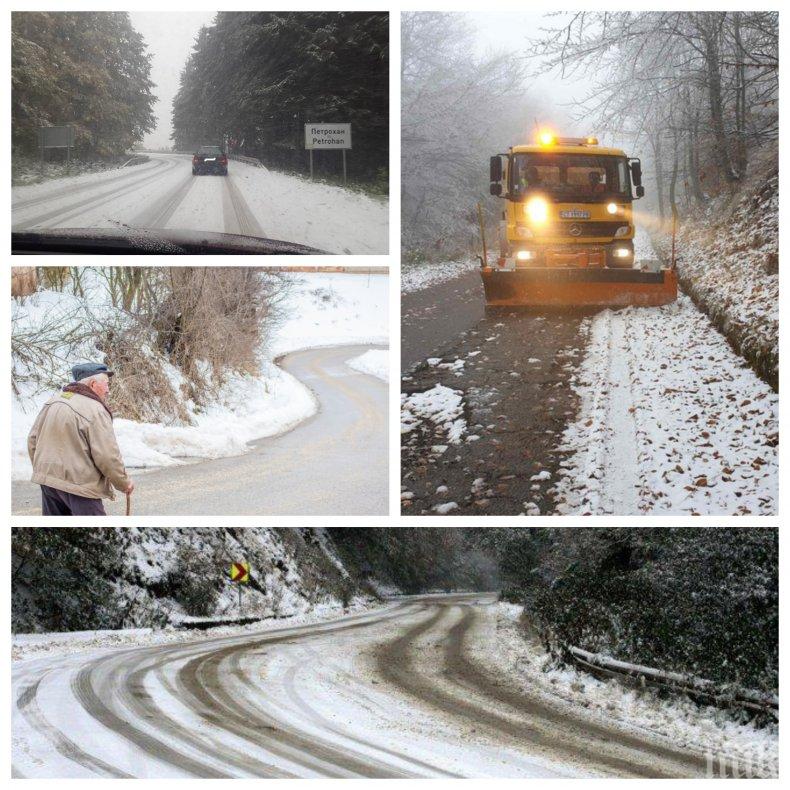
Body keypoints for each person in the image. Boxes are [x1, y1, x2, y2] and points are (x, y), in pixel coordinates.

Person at [27, 362, 134, 516]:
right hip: (80, 487)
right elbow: (106, 455)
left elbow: (32, 440)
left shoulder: (53, 401)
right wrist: (123, 483)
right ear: (92, 383)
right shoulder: (95, 410)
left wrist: (44, 471)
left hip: (48, 484)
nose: (108, 390)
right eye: (106, 384)